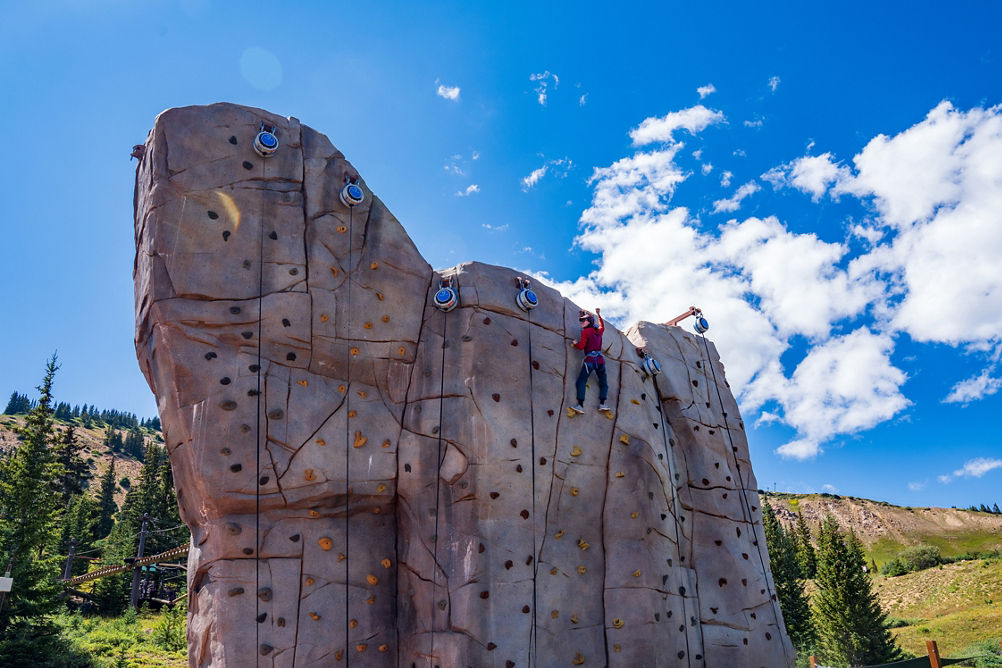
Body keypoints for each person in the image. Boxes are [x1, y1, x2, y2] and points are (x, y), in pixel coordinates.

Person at [570, 308, 609, 413]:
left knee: (581, 381)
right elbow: (602, 326)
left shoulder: (586, 332)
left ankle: (580, 406)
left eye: (584, 320)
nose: (582, 322)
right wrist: (598, 314)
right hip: (600, 360)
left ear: (590, 322)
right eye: (581, 320)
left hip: (590, 360)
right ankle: (602, 404)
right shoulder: (599, 332)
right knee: (603, 382)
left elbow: (581, 347)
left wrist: (575, 343)